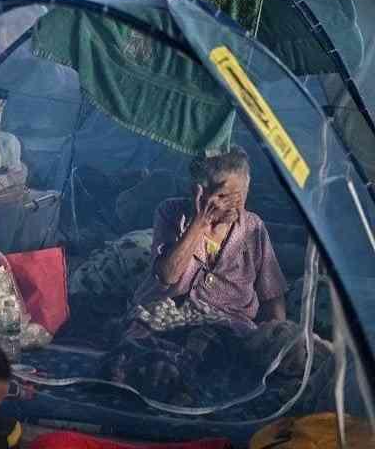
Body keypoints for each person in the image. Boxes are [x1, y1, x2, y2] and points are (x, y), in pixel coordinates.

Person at [104, 145, 293, 401]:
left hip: (225, 326)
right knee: (134, 347)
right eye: (226, 196)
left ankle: (182, 387)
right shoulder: (171, 213)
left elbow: (272, 293)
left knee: (210, 353)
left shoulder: (253, 228)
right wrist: (200, 222)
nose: (235, 206)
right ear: (199, 190)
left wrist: (277, 346)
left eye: (240, 196)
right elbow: (168, 275)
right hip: (163, 314)